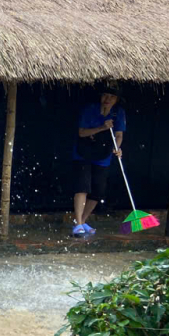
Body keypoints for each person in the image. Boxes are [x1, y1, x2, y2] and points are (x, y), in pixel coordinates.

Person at [71, 88, 125, 237]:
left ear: (116, 100)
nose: (108, 99)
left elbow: (119, 134)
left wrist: (117, 148)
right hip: (84, 154)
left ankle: (81, 222)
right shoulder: (90, 110)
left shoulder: (118, 113)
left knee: (98, 192)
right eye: (105, 95)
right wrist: (102, 127)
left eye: (112, 97)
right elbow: (82, 132)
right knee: (82, 187)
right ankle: (78, 224)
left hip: (103, 156)